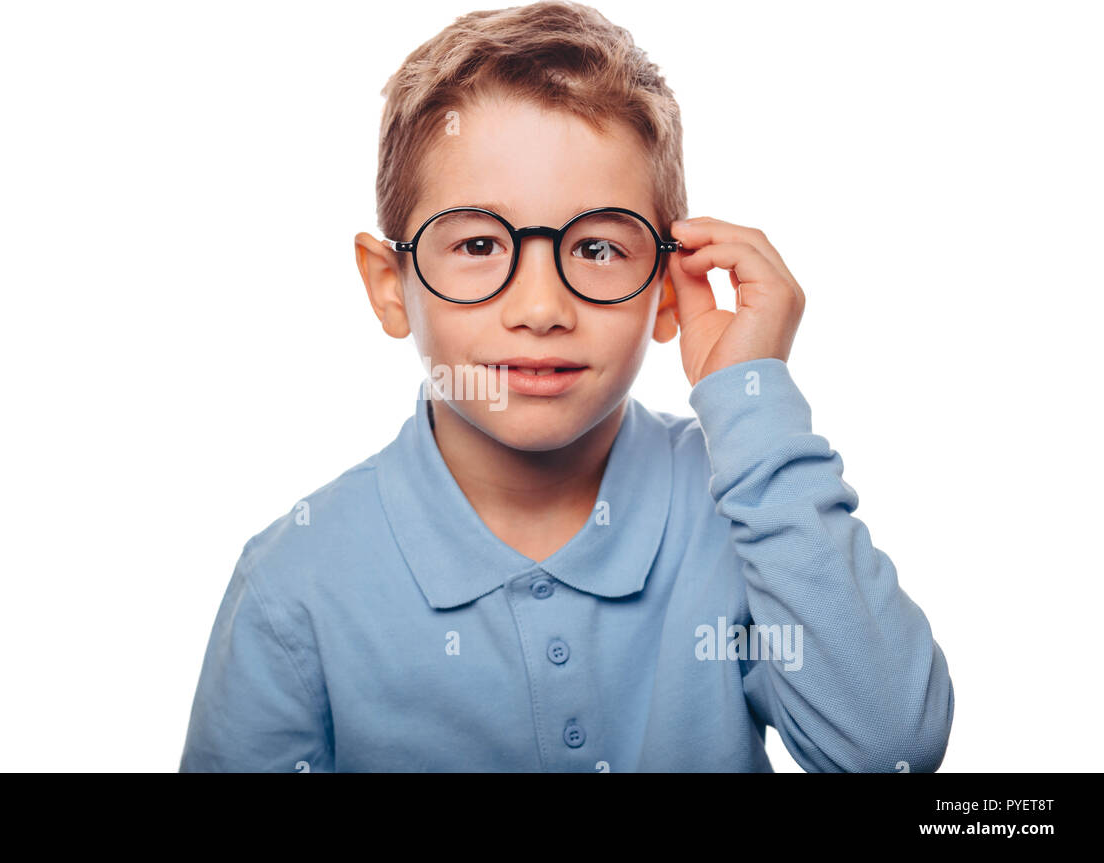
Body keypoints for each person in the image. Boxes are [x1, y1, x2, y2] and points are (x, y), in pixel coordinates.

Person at [179, 0, 954, 772]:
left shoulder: (739, 512)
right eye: (480, 243)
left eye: (598, 248)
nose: (544, 308)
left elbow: (889, 749)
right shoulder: (297, 583)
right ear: (390, 285)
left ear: (667, 288)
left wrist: (750, 399)